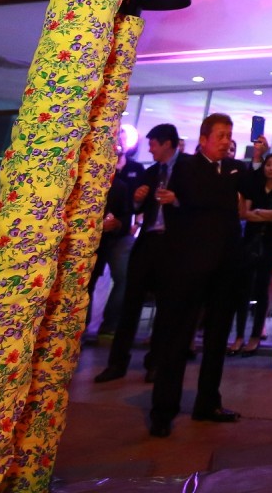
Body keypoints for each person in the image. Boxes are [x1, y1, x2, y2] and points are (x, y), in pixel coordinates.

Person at [147, 112, 250, 437]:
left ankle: (208, 402)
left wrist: (254, 162)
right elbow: (206, 198)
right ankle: (163, 411)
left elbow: (254, 192)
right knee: (177, 338)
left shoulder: (236, 168)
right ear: (204, 138)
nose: (225, 141)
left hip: (226, 266)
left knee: (217, 338)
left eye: (229, 135)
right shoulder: (189, 165)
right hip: (190, 266)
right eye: (219, 135)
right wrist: (221, 196)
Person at [97, 123, 183, 383]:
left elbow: (195, 204)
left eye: (153, 144)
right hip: (147, 241)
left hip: (172, 244)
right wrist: (138, 198)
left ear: (167, 143)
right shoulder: (151, 171)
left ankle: (155, 362)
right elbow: (136, 207)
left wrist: (176, 201)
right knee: (131, 300)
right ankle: (117, 362)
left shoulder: (187, 170)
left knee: (166, 306)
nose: (150, 149)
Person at [232, 151, 272, 353]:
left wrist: (258, 213)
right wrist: (265, 215)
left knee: (263, 288)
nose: (271, 168)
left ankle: (255, 336)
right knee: (243, 289)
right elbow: (243, 213)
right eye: (268, 164)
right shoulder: (254, 189)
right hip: (250, 242)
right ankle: (238, 335)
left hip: (270, 243)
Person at [90, 142, 145, 339]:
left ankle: (109, 325)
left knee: (123, 276)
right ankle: (81, 326)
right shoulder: (89, 184)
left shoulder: (123, 182)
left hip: (117, 238)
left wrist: (120, 224)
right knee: (88, 280)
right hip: (94, 239)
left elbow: (127, 212)